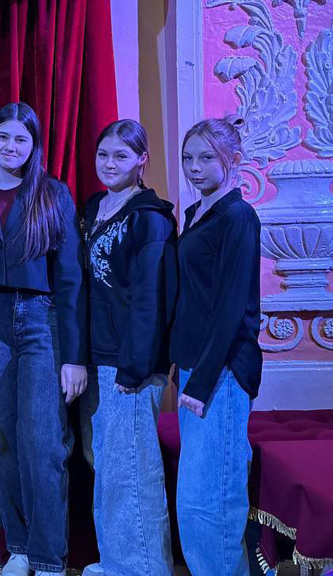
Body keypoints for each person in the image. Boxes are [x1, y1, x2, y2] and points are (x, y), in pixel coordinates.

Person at [0, 102, 84, 576]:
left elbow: (70, 278)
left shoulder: (53, 194)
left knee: (43, 442)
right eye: (3, 137)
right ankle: (21, 548)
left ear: (34, 146)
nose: (11, 146)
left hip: (40, 321)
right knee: (3, 439)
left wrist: (73, 355)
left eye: (21, 139)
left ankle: (49, 557)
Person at [78, 119, 177, 576]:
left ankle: (144, 569)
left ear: (141, 160)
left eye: (121, 155)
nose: (110, 163)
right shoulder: (95, 207)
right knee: (110, 470)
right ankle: (116, 562)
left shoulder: (149, 217)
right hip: (99, 358)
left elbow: (150, 297)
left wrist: (134, 368)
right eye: (103, 154)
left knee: (134, 473)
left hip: (129, 365)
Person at [172, 116, 261, 575]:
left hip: (221, 374)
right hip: (196, 368)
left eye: (207, 157)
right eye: (188, 157)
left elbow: (230, 306)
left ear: (233, 159)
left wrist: (202, 381)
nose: (195, 167)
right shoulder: (196, 213)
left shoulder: (237, 216)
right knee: (196, 503)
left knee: (210, 503)